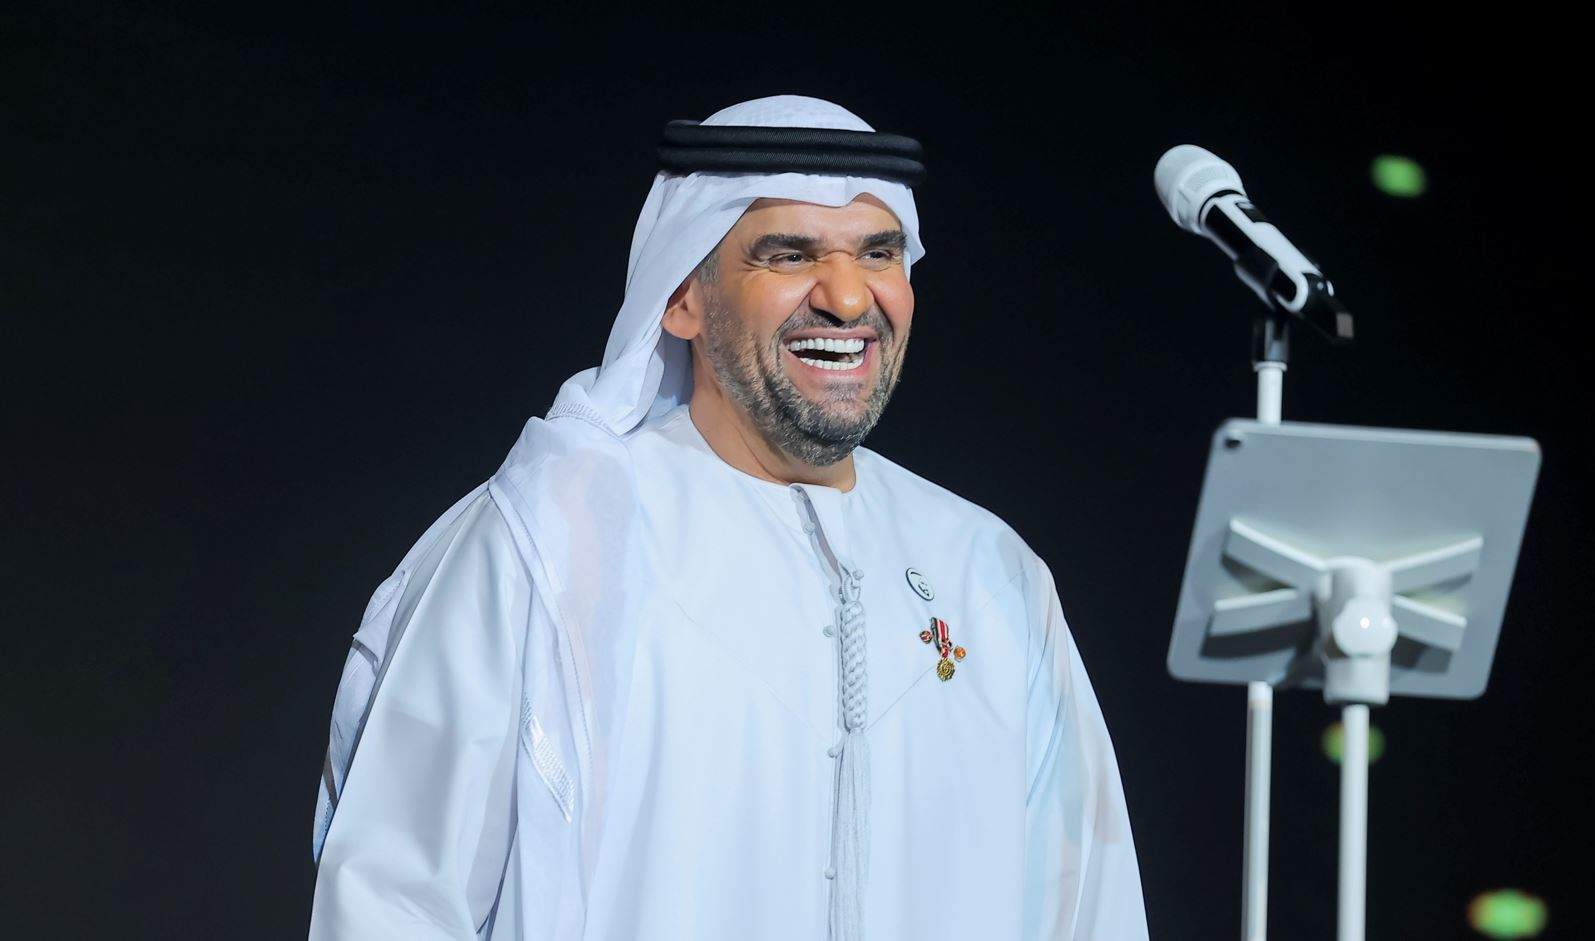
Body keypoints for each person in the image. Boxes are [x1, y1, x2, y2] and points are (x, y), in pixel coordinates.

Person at [308, 94, 1148, 940]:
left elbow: (1091, 907)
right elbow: (391, 902)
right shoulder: (554, 544)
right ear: (682, 296)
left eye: (878, 252)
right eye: (790, 255)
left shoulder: (989, 575)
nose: (847, 298)